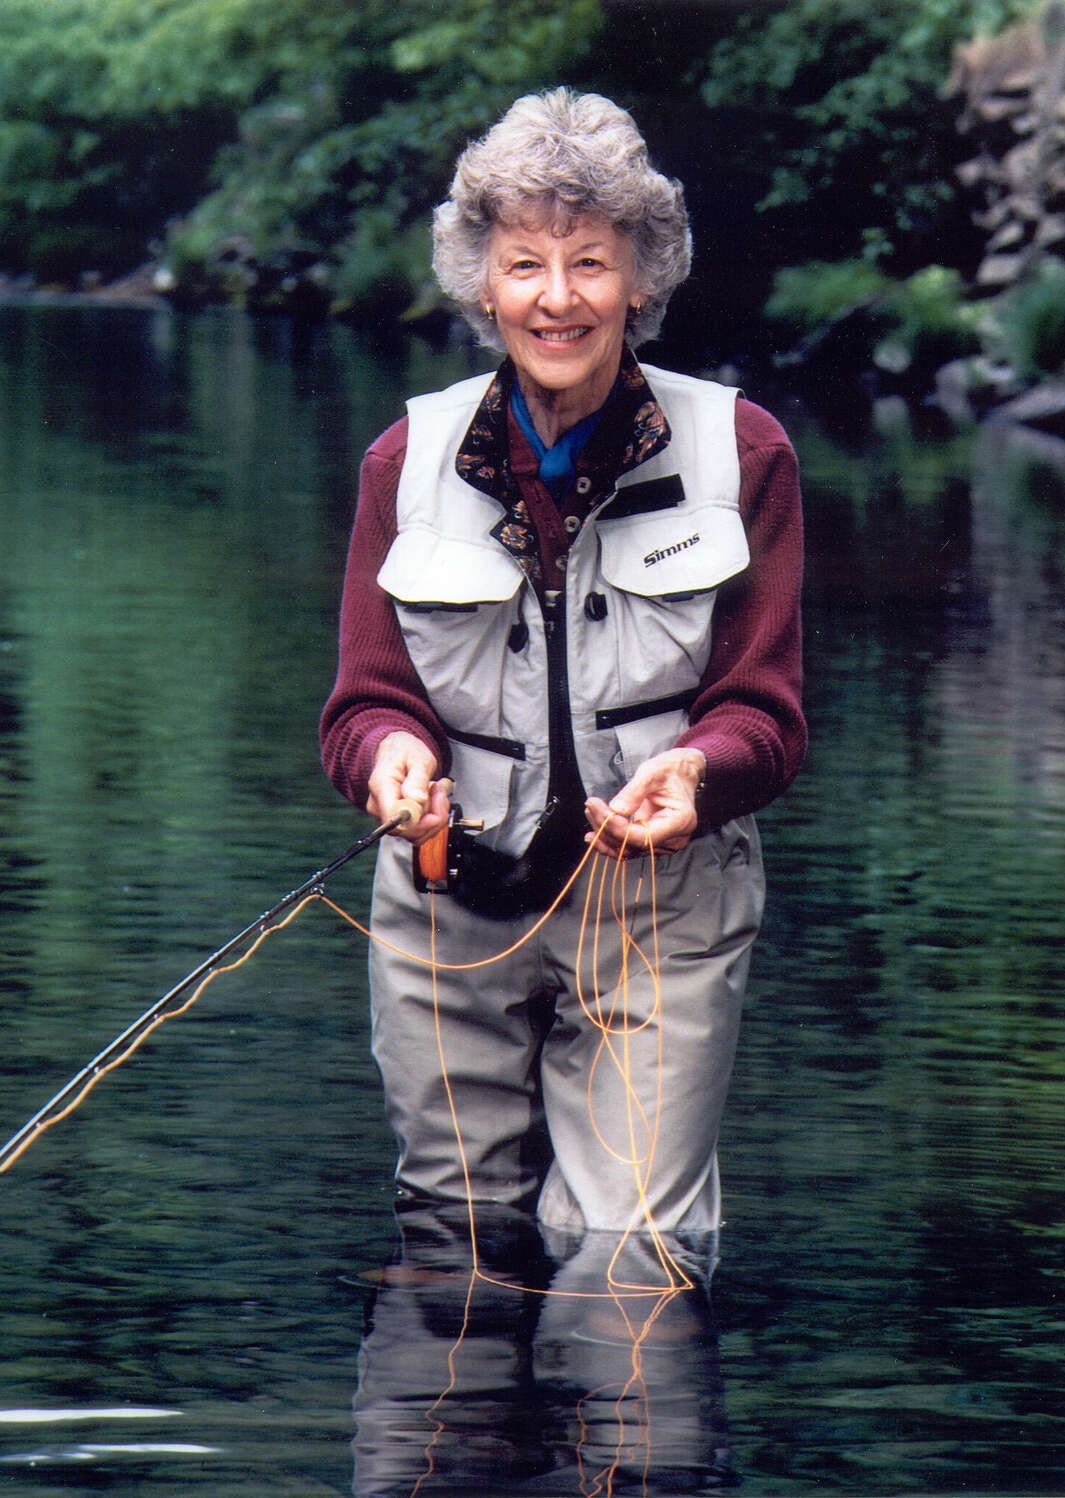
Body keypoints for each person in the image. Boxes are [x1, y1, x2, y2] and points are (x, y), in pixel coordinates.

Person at [320, 88, 805, 1237]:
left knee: (630, 1250)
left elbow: (766, 710)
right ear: (481, 283)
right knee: (452, 1239)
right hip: (450, 906)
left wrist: (698, 771)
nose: (556, 297)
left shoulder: (744, 452)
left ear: (641, 279)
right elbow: (365, 701)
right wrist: (389, 760)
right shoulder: (404, 458)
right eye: (524, 263)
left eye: (590, 262)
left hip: (662, 912)